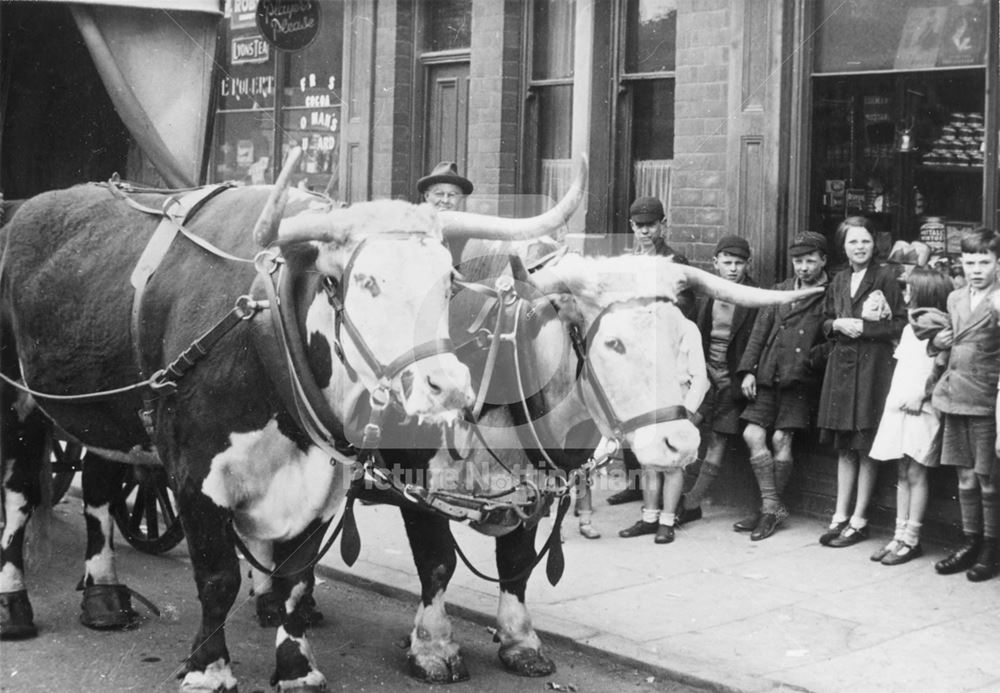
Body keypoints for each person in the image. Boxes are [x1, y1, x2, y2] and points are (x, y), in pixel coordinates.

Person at [734, 231, 830, 541]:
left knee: (781, 439)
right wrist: (748, 371)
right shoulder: (780, 291)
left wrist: (810, 362)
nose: (803, 268)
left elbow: (831, 339)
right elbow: (758, 334)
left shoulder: (829, 294)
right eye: (798, 261)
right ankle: (772, 506)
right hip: (767, 374)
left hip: (798, 380)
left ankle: (768, 511)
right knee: (752, 433)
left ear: (823, 260)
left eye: (810, 261)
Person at [816, 216, 905, 548]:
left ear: (875, 244)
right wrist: (837, 326)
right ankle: (840, 515)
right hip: (842, 369)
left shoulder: (886, 277)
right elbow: (824, 320)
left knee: (865, 445)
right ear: (843, 246)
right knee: (845, 446)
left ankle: (860, 519)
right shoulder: (839, 280)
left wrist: (864, 328)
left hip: (872, 370)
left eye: (865, 241)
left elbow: (899, 324)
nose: (859, 247)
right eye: (853, 242)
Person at [606, 196, 694, 506]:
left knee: (658, 421)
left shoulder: (674, 262)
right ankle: (635, 485)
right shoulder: (628, 260)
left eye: (651, 226)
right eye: (639, 226)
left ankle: (669, 500)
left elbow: (683, 308)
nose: (645, 232)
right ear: (631, 227)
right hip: (633, 352)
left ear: (663, 226)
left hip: (662, 353)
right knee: (629, 417)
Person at [868, 266, 953, 565]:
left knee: (916, 471)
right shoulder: (908, 329)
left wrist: (923, 396)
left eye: (910, 290)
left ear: (928, 294)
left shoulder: (943, 332)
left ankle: (912, 539)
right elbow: (904, 367)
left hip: (924, 407)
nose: (905, 295)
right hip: (902, 404)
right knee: (902, 470)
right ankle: (898, 535)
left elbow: (942, 372)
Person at [931, 228, 1000, 582]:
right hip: (956, 396)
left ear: (997, 262)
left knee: (989, 479)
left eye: (984, 261)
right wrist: (939, 342)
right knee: (965, 476)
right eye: (970, 262)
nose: (976, 269)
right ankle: (969, 541)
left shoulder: (999, 299)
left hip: (986, 399)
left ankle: (991, 547)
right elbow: (949, 344)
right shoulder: (956, 298)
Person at [676, 235, 758, 523]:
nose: (733, 269)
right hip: (706, 378)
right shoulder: (709, 295)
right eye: (727, 263)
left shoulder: (752, 297)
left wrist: (735, 376)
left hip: (732, 382)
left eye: (739, 263)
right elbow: (698, 336)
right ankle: (675, 498)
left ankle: (691, 504)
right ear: (715, 264)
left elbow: (754, 344)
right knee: (687, 432)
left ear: (748, 264)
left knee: (718, 440)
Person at [618, 314, 709, 543]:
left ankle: (667, 521)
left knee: (672, 465)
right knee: (648, 462)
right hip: (648, 403)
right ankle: (649, 519)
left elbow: (700, 376)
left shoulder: (688, 328)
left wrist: (687, 411)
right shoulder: (642, 328)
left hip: (677, 401)